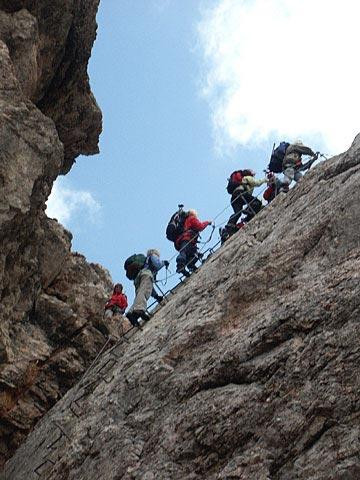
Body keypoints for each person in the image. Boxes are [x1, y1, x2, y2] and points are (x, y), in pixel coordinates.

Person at [126, 249, 169, 327]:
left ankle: (131, 313)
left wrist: (156, 296)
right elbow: (158, 264)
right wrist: (164, 262)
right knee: (143, 292)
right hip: (145, 273)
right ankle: (139, 310)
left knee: (140, 294)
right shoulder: (152, 256)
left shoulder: (143, 263)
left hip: (137, 279)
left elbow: (149, 288)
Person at [175, 209, 212, 277]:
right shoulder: (191, 218)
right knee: (184, 252)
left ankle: (188, 265)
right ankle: (181, 265)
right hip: (187, 239)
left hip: (185, 240)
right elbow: (200, 226)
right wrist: (207, 222)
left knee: (193, 254)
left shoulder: (184, 221)